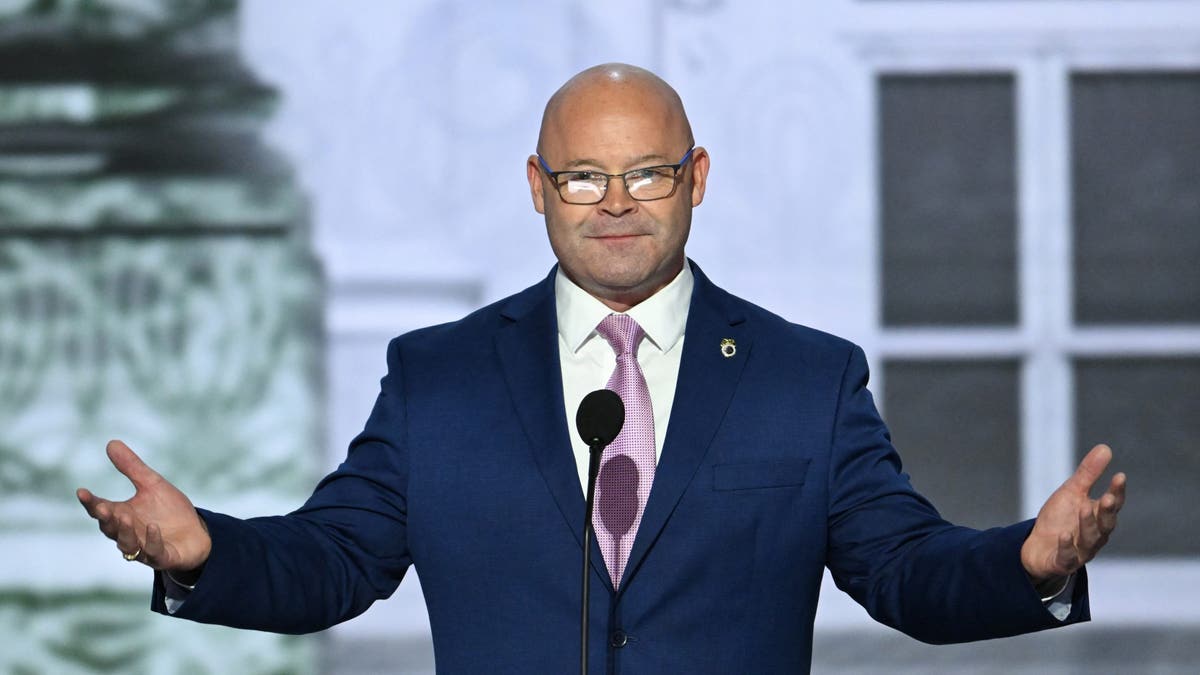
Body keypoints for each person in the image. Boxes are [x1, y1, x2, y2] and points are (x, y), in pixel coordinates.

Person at [77, 63, 1126, 673]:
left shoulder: (805, 381)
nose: (615, 202)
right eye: (582, 176)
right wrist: (203, 551)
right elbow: (337, 559)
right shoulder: (438, 377)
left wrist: (1028, 566)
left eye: (646, 174)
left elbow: (905, 574)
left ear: (696, 178)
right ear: (537, 187)